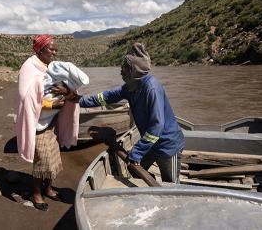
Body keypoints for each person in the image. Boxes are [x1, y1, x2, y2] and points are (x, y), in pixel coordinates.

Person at [75, 43, 184, 183]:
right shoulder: (130, 87)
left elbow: (157, 126)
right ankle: (152, 182)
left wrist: (137, 152)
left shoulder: (151, 88)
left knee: (171, 185)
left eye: (124, 67)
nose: (121, 71)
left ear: (133, 70)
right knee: (134, 170)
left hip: (168, 145)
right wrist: (78, 100)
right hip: (150, 144)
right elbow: (105, 97)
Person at [15, 34, 87, 211]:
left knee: (54, 156)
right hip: (37, 123)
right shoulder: (29, 67)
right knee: (42, 160)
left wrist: (67, 90)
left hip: (52, 121)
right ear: (40, 49)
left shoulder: (52, 67)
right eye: (51, 49)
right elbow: (26, 98)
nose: (55, 52)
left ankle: (48, 188)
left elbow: (68, 89)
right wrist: (50, 104)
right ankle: (36, 193)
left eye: (56, 49)